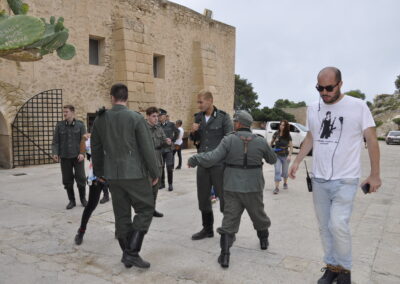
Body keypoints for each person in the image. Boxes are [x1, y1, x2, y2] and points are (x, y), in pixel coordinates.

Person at [289, 67, 381, 284]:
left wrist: (375, 174)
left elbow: (372, 139)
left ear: (340, 84)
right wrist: (297, 160)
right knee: (324, 227)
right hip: (319, 179)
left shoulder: (358, 106)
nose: (324, 92)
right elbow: (312, 136)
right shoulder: (314, 108)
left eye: (329, 88)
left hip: (345, 179)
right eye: (319, 88)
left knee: (338, 224)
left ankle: (345, 271)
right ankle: (332, 266)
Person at [188, 110, 276, 268]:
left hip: (232, 187)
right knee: (258, 215)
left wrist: (195, 158)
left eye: (235, 122)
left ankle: (225, 255)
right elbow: (272, 159)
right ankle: (264, 240)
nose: (234, 124)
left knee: (229, 220)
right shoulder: (261, 141)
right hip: (253, 187)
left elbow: (213, 157)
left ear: (238, 123)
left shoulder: (228, 140)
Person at [91, 83, 160, 269]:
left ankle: (127, 255)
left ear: (112, 98)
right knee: (145, 209)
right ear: (126, 98)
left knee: (121, 215)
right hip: (135, 174)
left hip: (112, 175)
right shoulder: (135, 118)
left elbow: (96, 149)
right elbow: (147, 148)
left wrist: (99, 173)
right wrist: (155, 172)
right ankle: (131, 253)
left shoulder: (99, 120)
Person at [189, 89, 233, 240]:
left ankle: (229, 231)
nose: (198, 105)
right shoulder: (198, 117)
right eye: (198, 102)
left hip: (219, 165)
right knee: (203, 197)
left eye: (200, 102)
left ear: (210, 101)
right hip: (202, 163)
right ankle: (207, 229)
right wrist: (193, 131)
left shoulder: (223, 117)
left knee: (224, 198)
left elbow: (229, 140)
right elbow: (195, 139)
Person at [74, 132, 110, 245]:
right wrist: (83, 139)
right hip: (97, 177)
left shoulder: (115, 138)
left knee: (120, 205)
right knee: (91, 205)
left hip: (114, 177)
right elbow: (83, 150)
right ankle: (81, 231)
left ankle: (120, 231)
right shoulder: (94, 141)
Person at [52, 105, 87, 209]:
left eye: (66, 112)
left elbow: (84, 140)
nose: (65, 114)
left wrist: (82, 153)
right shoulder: (59, 125)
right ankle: (71, 201)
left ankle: (83, 199)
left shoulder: (80, 125)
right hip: (65, 157)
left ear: (72, 112)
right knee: (67, 180)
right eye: (64, 112)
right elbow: (56, 142)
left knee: (81, 178)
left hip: (78, 157)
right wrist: (55, 153)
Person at [146, 106, 173, 217]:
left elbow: (162, 141)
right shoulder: (143, 128)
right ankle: (145, 210)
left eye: (157, 116)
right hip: (147, 160)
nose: (156, 118)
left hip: (158, 159)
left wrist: (167, 141)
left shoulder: (159, 128)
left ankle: (152, 209)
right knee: (147, 186)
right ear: (147, 116)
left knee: (155, 188)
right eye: (153, 116)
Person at [85, 133, 110, 204]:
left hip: (106, 159)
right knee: (97, 177)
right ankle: (104, 194)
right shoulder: (92, 138)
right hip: (96, 160)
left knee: (103, 177)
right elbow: (88, 150)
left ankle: (106, 195)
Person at [159, 109, 179, 191]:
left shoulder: (171, 124)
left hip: (169, 149)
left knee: (169, 167)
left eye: (161, 116)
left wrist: (172, 140)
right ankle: (162, 183)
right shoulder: (157, 125)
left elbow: (177, 133)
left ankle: (170, 184)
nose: (159, 117)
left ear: (165, 116)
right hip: (160, 149)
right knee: (161, 167)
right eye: (159, 116)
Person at [270, 120, 293, 194]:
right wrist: (270, 150)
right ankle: (276, 188)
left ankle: (285, 183)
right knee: (277, 170)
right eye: (280, 125)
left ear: (285, 127)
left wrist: (289, 155)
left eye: (283, 125)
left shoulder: (288, 135)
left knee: (285, 172)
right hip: (277, 155)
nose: (281, 126)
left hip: (285, 156)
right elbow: (271, 143)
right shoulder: (276, 133)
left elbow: (291, 146)